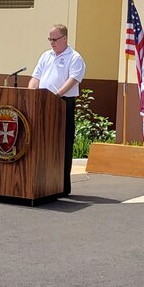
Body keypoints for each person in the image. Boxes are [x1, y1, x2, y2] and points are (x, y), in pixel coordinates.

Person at [29, 23, 86, 197]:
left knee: (62, 144)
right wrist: (30, 95)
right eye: (50, 39)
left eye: (55, 39)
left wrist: (56, 96)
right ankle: (45, 183)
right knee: (43, 142)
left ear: (65, 38)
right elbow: (35, 77)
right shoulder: (46, 56)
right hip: (41, 104)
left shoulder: (75, 57)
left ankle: (62, 185)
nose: (52, 43)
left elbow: (73, 79)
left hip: (62, 104)